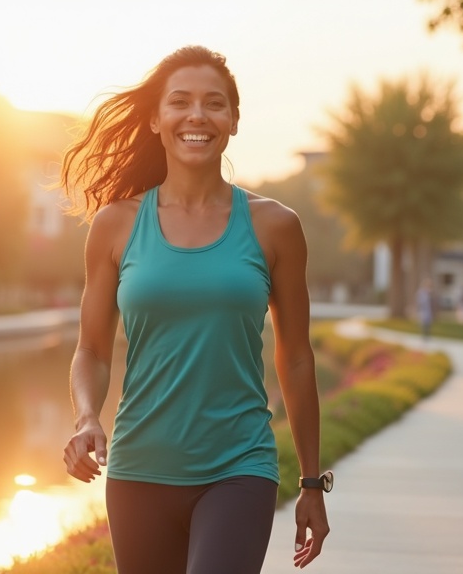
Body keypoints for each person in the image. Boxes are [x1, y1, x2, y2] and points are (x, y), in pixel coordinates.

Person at [59, 45, 329, 573]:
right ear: (156, 119)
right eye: (180, 102)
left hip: (239, 466)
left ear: (233, 120)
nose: (197, 116)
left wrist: (313, 483)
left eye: (215, 103)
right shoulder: (116, 225)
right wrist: (87, 416)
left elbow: (295, 357)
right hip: (139, 471)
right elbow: (90, 349)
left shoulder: (275, 226)